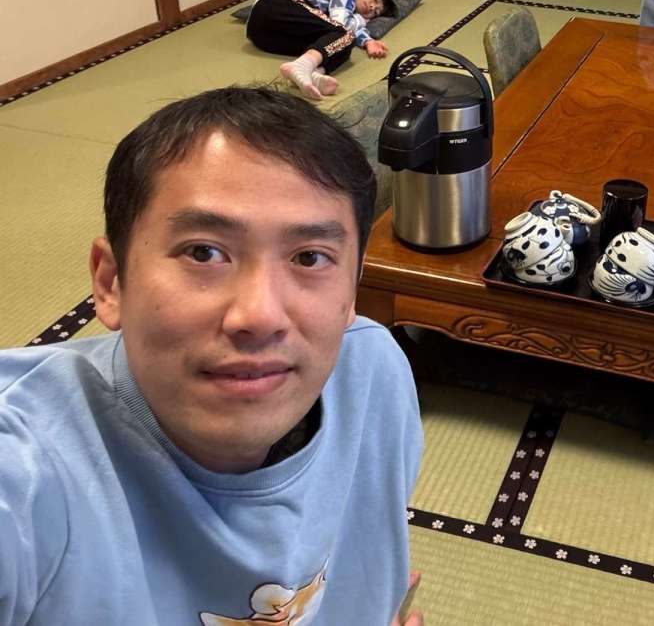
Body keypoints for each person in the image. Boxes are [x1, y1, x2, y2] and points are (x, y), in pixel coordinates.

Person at [0, 87, 424, 624]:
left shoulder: (373, 371)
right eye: (204, 252)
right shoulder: (29, 463)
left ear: (353, 290)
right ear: (110, 282)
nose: (259, 315)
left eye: (310, 258)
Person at [246, 0, 396, 99]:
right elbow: (341, 22)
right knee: (344, 35)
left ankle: (312, 75)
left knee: (340, 46)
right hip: (277, 3)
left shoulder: (339, 17)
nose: (372, 7)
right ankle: (302, 67)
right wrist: (361, 22)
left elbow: (340, 30)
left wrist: (368, 41)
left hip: (262, 36)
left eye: (375, 12)